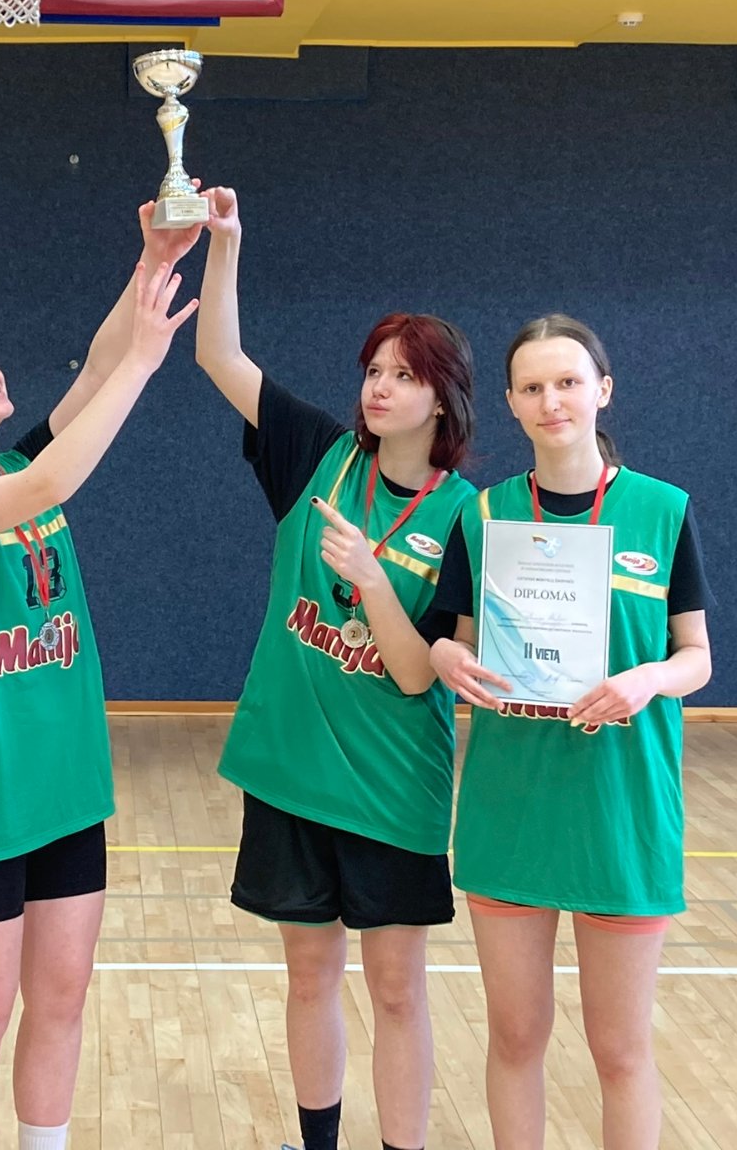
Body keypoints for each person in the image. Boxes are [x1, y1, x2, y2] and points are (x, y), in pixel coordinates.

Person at [0, 212, 202, 1150]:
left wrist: (151, 262)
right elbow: (53, 482)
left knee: (60, 1001)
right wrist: (146, 362)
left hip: (64, 785)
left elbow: (94, 371)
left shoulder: (19, 459)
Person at [192, 186, 478, 1150]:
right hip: (289, 770)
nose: (379, 388)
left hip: (392, 788)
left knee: (397, 990)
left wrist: (372, 578)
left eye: (403, 374)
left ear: (442, 397)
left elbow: (416, 674)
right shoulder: (319, 456)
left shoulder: (466, 516)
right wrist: (227, 245)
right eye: (373, 371)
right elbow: (219, 357)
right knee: (309, 975)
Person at [422, 313, 714, 1150]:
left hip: (623, 809)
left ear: (602, 391)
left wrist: (646, 679)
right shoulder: (482, 516)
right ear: (512, 402)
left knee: (619, 1049)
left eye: (569, 382)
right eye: (533, 387)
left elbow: (696, 657)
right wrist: (448, 658)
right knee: (516, 1037)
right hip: (513, 803)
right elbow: (452, 638)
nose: (553, 400)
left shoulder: (663, 511)